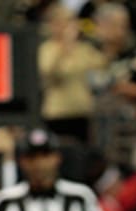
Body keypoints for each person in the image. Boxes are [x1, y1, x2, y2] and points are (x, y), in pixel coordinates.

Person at [38, 6, 106, 143]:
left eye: (70, 22)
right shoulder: (47, 48)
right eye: (62, 23)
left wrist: (101, 37)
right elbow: (49, 72)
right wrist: (65, 47)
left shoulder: (83, 49)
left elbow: (103, 65)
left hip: (81, 111)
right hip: (57, 113)